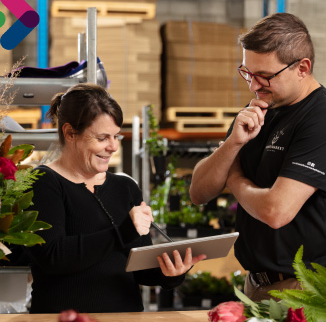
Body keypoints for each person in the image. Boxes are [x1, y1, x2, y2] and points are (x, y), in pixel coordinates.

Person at [189, 13, 326, 301]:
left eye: (265, 76)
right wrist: (231, 145)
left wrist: (235, 177)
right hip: (257, 284)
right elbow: (198, 192)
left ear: (303, 67)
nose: (254, 86)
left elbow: (276, 211)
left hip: (310, 290)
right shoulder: (259, 109)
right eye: (247, 73)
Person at [26, 83, 205, 313]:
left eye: (116, 136)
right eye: (102, 138)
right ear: (70, 133)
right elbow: (52, 257)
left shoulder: (126, 187)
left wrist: (171, 273)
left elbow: (139, 268)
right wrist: (123, 232)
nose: (112, 147)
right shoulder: (42, 182)